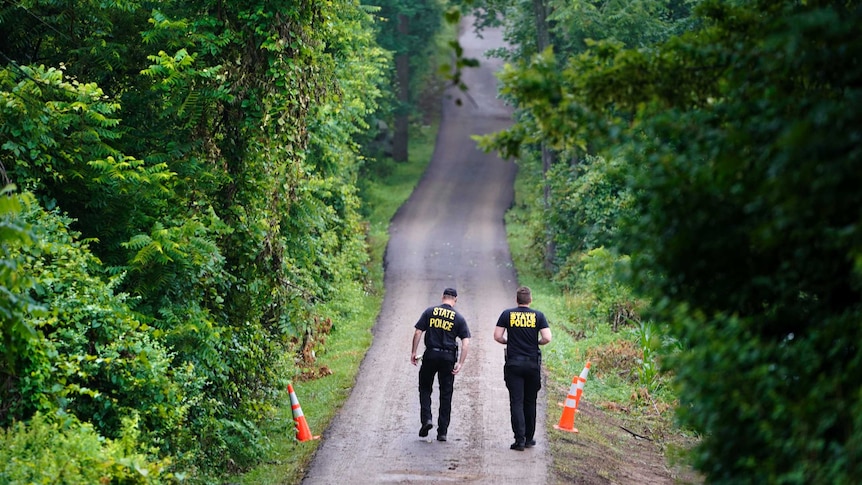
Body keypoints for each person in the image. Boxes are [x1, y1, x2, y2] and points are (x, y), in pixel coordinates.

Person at [493, 286, 552, 451]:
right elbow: (547, 337)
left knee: (516, 402)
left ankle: (519, 440)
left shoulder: (507, 314)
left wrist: (508, 342)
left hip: (514, 364)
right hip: (532, 363)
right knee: (530, 401)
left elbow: (497, 336)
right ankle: (529, 438)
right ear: (530, 300)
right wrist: (536, 343)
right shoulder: (538, 316)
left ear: (516, 300)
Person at [411, 287, 471, 442]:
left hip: (430, 354)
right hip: (448, 358)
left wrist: (413, 352)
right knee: (446, 393)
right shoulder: (458, 318)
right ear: (455, 300)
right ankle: (442, 432)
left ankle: (427, 420)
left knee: (425, 388)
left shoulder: (430, 312)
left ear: (442, 297)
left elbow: (418, 332)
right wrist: (460, 363)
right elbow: (465, 343)